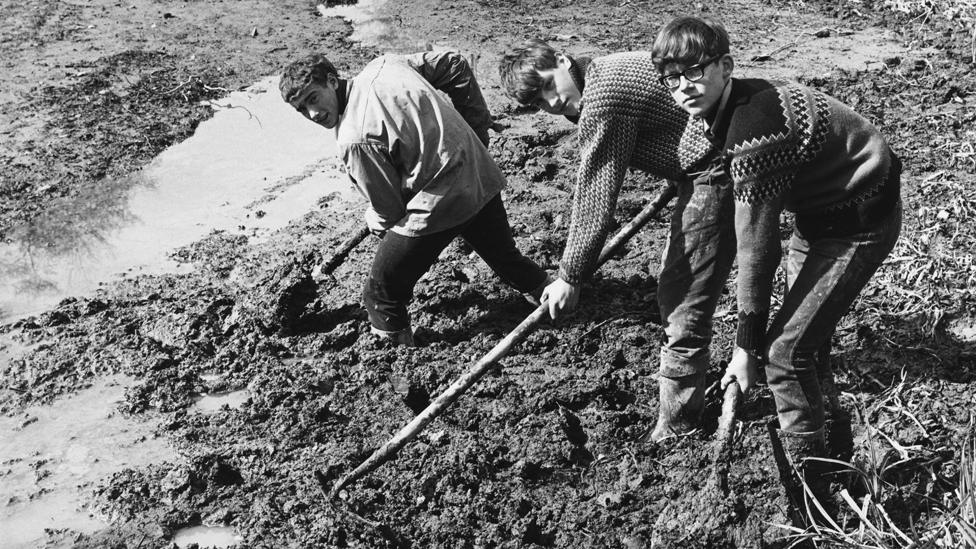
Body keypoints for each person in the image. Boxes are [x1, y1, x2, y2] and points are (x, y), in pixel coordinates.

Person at [651, 16, 902, 520]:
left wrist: (745, 347)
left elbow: (756, 248)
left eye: (695, 72)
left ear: (725, 66)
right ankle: (833, 433)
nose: (683, 88)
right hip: (818, 214)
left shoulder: (753, 127)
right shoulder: (725, 108)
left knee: (784, 353)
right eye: (671, 78)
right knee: (806, 341)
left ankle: (814, 488)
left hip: (859, 218)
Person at [499, 40, 737, 441]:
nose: (551, 104)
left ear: (561, 60)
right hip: (704, 160)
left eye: (547, 87)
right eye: (540, 104)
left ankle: (678, 426)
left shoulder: (604, 91)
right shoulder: (599, 75)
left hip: (717, 166)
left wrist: (570, 275)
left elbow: (596, 189)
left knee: (681, 295)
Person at [279, 51, 550, 346]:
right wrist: (476, 129)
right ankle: (558, 297)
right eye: (301, 109)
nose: (313, 114)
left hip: (442, 203)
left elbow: (390, 211)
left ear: (331, 81)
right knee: (508, 260)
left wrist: (375, 218)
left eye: (313, 98)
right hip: (478, 173)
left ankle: (395, 357)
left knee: (381, 294)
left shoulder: (353, 138)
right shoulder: (386, 65)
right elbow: (454, 64)